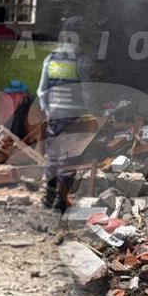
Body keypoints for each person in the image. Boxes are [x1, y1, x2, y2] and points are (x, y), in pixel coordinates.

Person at [38, 16, 92, 211]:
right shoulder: (82, 59)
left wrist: (48, 110)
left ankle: (48, 199)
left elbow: (42, 90)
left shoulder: (50, 58)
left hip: (54, 115)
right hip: (72, 115)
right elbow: (86, 91)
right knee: (69, 159)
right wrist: (91, 112)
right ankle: (60, 203)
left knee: (53, 157)